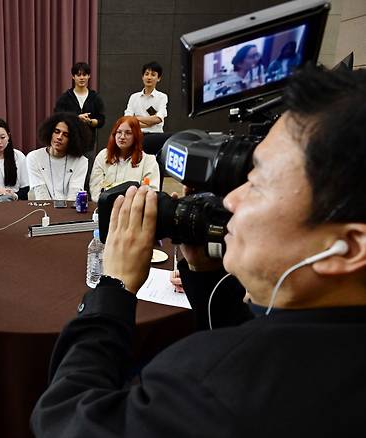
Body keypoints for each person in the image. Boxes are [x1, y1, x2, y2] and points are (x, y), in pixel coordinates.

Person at [31, 65, 366, 437]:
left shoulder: (212, 385)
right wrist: (204, 274)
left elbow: (65, 419)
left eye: (256, 184)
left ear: (348, 247)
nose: (232, 201)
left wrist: (113, 288)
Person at [88, 116, 160, 202]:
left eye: (128, 133)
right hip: (105, 207)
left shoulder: (149, 160)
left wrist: (110, 189)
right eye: (119, 132)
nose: (122, 137)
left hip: (133, 209)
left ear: (136, 136)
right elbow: (95, 190)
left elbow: (151, 192)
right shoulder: (103, 155)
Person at [26, 113, 90, 201]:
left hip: (70, 211)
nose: (59, 137)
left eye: (66, 135)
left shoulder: (81, 161)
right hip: (43, 209)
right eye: (57, 132)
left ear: (73, 139)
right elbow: (40, 193)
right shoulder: (33, 157)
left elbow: (74, 193)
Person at [53, 62, 105, 151]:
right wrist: (76, 118)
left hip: (88, 145)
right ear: (73, 77)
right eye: (78, 75)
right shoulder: (65, 97)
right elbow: (58, 117)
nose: (82, 78)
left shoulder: (95, 97)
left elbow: (101, 120)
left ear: (89, 76)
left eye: (84, 75)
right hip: (68, 144)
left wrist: (90, 121)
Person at [124, 61, 168, 133]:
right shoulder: (134, 97)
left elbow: (158, 119)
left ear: (158, 78)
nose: (149, 77)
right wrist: (150, 123)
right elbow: (127, 120)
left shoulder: (162, 97)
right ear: (142, 77)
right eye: (146, 74)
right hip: (137, 135)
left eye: (153, 75)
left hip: (155, 135)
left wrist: (136, 118)